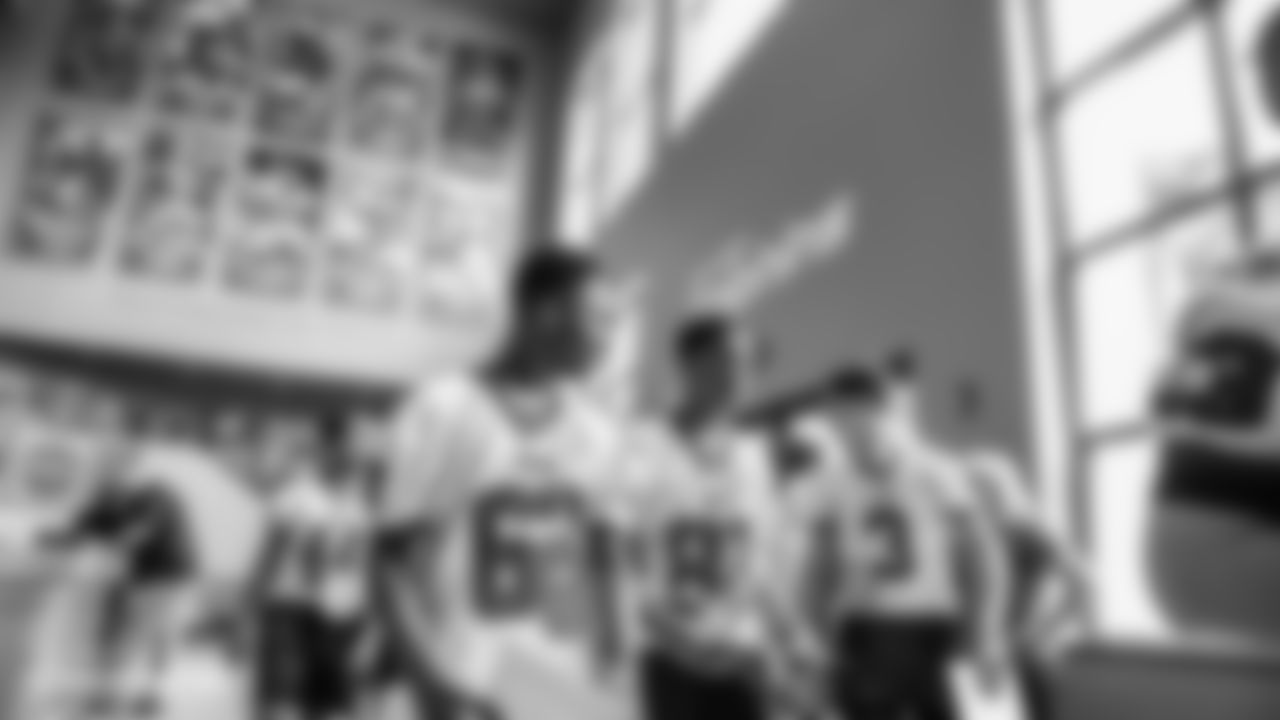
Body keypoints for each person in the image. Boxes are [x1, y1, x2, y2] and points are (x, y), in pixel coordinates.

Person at [375, 244, 632, 720]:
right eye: (599, 319)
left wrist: (616, 659)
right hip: (465, 691)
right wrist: (432, 682)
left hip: (560, 696)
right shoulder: (442, 408)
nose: (608, 339)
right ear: (545, 313)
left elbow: (604, 560)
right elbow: (392, 566)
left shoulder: (599, 435)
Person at [791, 358, 1011, 720]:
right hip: (865, 633)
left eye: (858, 414)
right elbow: (818, 571)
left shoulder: (938, 472)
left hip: (936, 628)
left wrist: (986, 631)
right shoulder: (828, 486)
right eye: (838, 418)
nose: (849, 428)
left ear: (884, 411)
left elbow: (981, 556)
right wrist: (814, 639)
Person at [631, 312, 797, 720]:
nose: (741, 375)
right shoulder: (640, 447)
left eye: (748, 363)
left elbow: (759, 562)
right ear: (690, 365)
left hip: (741, 655)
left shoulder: (754, 456)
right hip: (671, 656)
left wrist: (789, 633)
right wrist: (673, 638)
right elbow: (613, 559)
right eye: (729, 360)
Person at [45, 419, 196, 719]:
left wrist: (110, 547)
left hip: (167, 576)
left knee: (155, 635)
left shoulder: (155, 493)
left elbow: (139, 534)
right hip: (132, 575)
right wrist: (43, 538)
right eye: (104, 465)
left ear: (130, 466)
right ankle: (106, 693)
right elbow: (78, 530)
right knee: (115, 634)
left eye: (113, 465)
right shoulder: (107, 497)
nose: (105, 472)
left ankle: (151, 693)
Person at [252, 415, 372, 720]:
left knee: (328, 708)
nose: (353, 455)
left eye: (356, 449)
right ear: (327, 446)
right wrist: (249, 610)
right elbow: (268, 557)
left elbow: (369, 564)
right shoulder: (295, 496)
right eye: (347, 447)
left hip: (341, 613)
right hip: (291, 609)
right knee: (280, 704)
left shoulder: (362, 501)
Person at [961, 450, 1087, 720]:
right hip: (975, 657)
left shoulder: (1029, 530)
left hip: (1021, 656)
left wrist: (1035, 633)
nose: (975, 496)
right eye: (970, 488)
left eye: (983, 488)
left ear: (1005, 488)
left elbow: (1083, 585)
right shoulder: (964, 536)